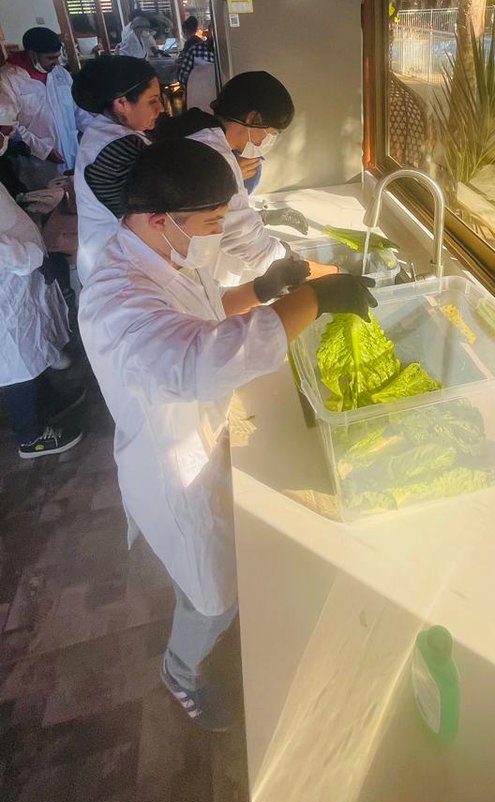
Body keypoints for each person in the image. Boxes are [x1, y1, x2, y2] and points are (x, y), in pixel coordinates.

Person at [79, 138, 375, 729]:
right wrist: (313, 299)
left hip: (199, 442)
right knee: (210, 595)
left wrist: (265, 290)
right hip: (172, 471)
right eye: (213, 222)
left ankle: (200, 641)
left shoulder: (159, 251)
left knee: (222, 569)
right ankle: (180, 672)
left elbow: (208, 309)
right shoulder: (116, 298)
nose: (218, 233)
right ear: (162, 218)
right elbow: (199, 359)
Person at [153, 71, 336, 282]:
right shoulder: (216, 158)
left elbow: (228, 217)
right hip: (182, 273)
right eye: (271, 134)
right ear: (252, 118)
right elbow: (254, 248)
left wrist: (260, 217)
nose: (267, 142)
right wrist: (330, 272)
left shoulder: (200, 138)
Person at [0, 177, 84, 459]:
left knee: (29, 350)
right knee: (16, 362)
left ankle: (45, 404)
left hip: (18, 280)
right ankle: (31, 436)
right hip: (10, 280)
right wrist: (33, 259)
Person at [72, 56, 164, 283]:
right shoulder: (120, 148)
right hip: (118, 273)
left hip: (105, 266)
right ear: (121, 103)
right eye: (152, 100)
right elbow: (160, 207)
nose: (161, 108)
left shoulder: (102, 132)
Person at [0, 27, 92, 189]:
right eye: (50, 58)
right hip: (37, 164)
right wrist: (43, 150)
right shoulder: (8, 80)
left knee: (75, 200)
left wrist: (97, 132)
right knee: (47, 207)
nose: (55, 62)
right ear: (32, 54)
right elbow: (10, 126)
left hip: (70, 152)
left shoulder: (60, 74)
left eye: (57, 57)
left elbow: (78, 111)